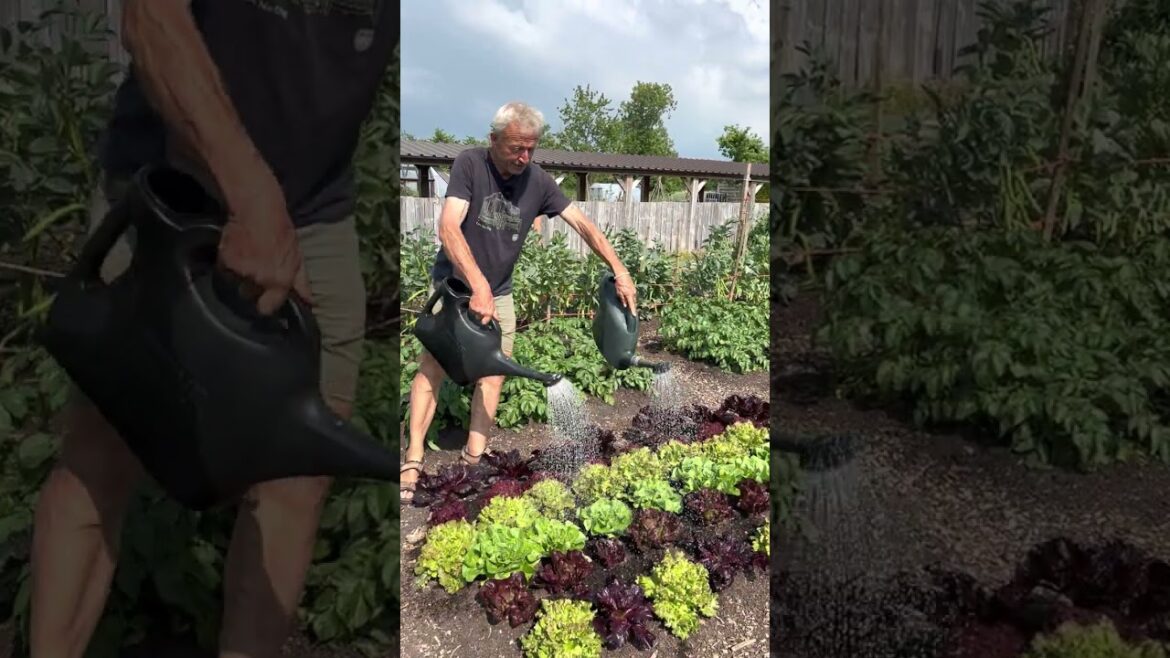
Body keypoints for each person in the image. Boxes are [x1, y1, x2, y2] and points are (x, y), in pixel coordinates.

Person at [27, 1, 395, 658]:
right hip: (173, 195)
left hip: (314, 216)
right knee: (103, 453)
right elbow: (149, 16)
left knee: (298, 473)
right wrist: (252, 199)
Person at [400, 101, 638, 500]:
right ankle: (413, 456)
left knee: (494, 373)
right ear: (493, 140)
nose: (524, 157)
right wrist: (476, 285)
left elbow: (583, 225)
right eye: (515, 148)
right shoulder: (470, 165)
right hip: (454, 288)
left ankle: (474, 458)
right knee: (432, 369)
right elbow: (448, 228)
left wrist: (620, 269)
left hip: (501, 295)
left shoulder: (539, 181)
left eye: (531, 148)